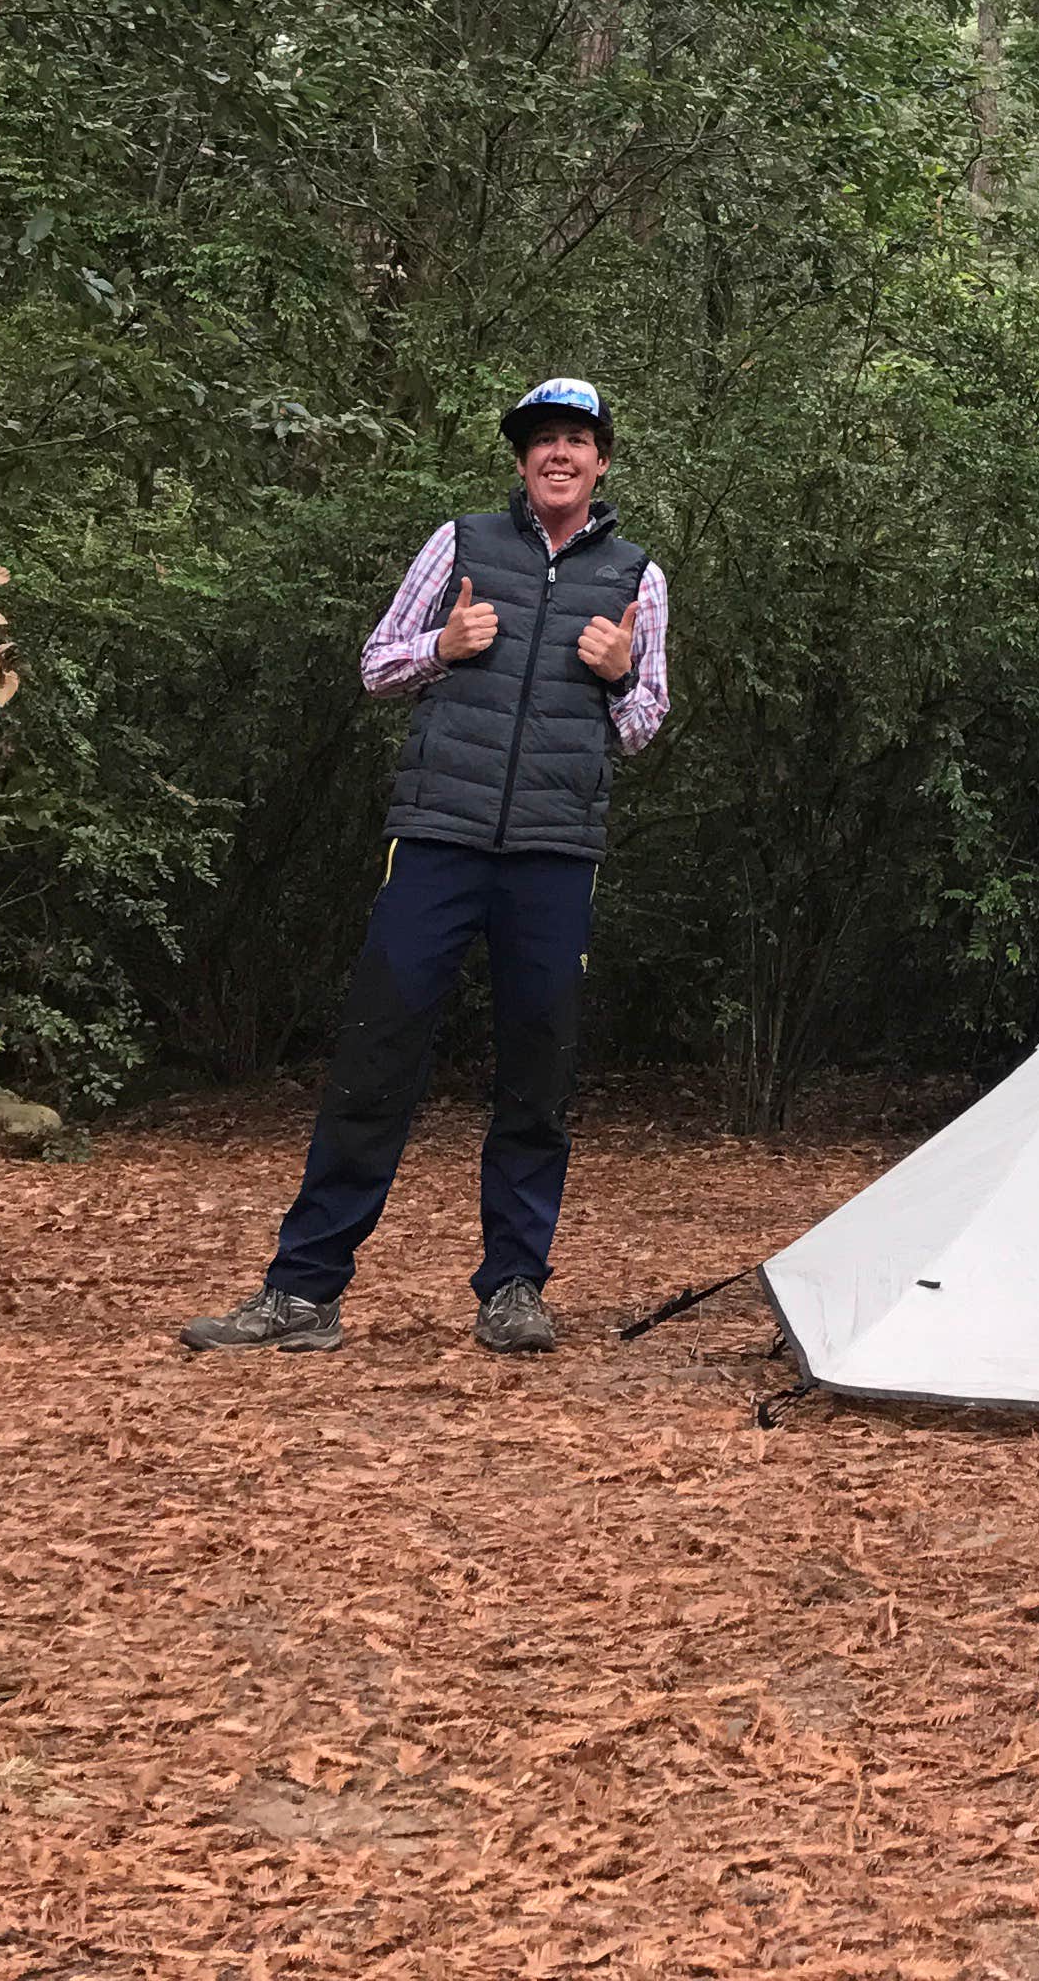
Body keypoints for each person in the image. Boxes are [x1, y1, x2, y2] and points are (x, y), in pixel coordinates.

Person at [182, 377, 671, 1357]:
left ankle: (515, 1290)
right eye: (542, 442)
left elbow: (645, 723)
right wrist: (442, 647)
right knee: (374, 1060)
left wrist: (622, 675)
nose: (559, 455)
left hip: (554, 854)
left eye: (576, 440)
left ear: (602, 459)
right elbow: (376, 664)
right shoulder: (459, 545)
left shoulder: (638, 577)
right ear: (522, 461)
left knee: (538, 1077)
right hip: (439, 839)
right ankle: (303, 1292)